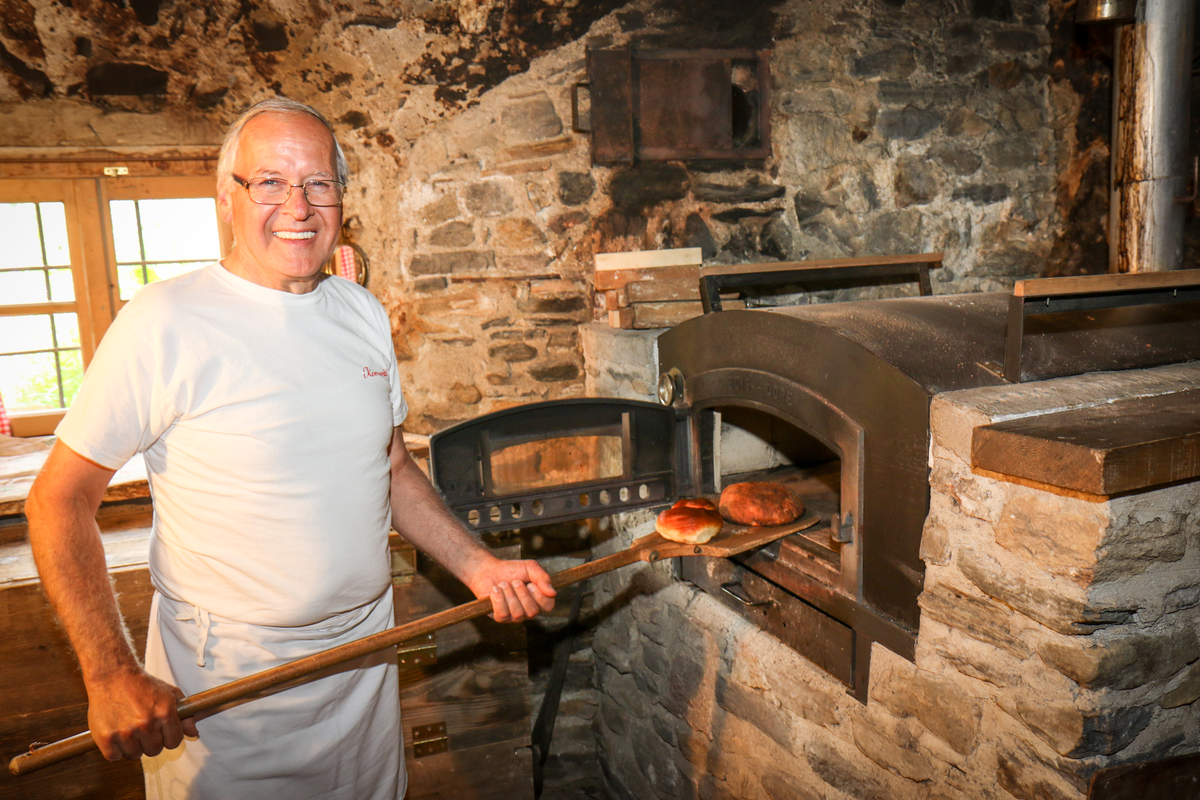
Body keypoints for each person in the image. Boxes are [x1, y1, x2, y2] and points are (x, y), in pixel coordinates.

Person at [24, 97, 556, 800]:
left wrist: (479, 566)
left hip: (364, 663)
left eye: (318, 183)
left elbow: (392, 469)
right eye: (270, 182)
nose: (298, 206)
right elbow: (57, 501)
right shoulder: (163, 321)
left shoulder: (360, 311)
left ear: (341, 198)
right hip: (227, 686)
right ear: (226, 198)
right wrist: (110, 673)